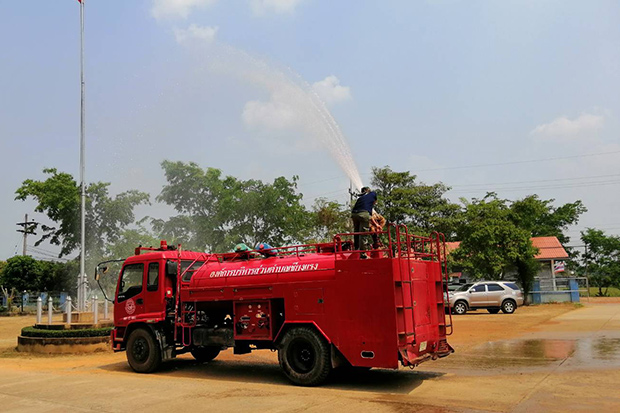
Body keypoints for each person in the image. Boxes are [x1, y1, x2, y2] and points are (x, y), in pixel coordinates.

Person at [351, 187, 377, 255]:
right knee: (363, 234)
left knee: (356, 233)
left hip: (354, 214)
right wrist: (377, 225)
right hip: (363, 214)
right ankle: (363, 254)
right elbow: (368, 216)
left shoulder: (360, 199)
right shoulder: (373, 194)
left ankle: (356, 250)